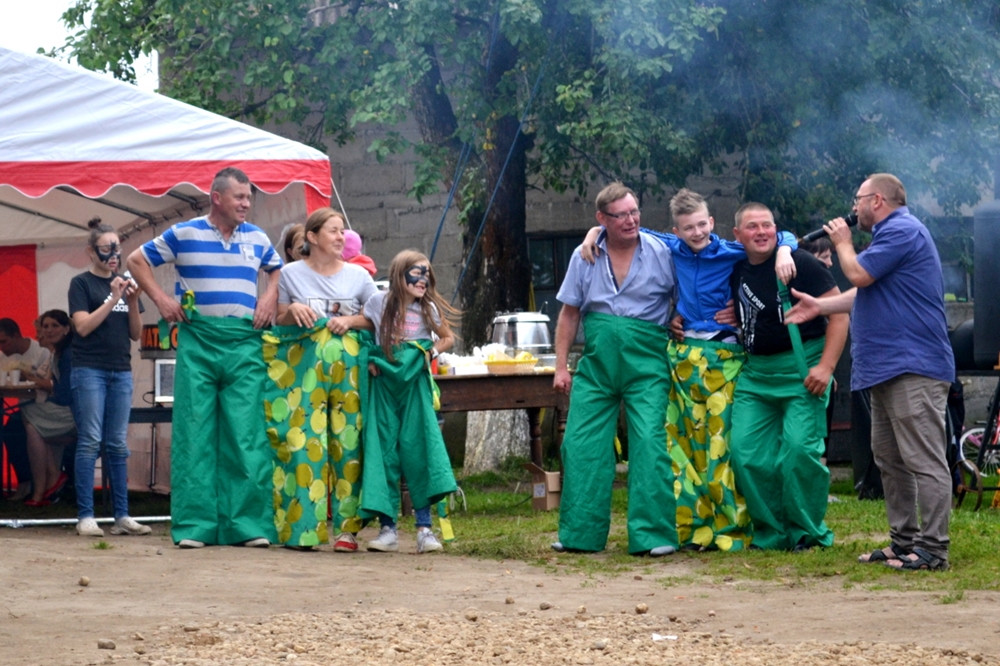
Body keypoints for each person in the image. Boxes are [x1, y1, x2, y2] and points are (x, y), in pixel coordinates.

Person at [582, 188, 798, 551]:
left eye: (701, 225)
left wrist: (786, 249)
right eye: (688, 228)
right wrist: (592, 233)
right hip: (682, 358)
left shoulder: (732, 251)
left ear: (712, 223)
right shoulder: (669, 247)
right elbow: (624, 230)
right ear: (676, 231)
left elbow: (780, 237)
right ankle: (694, 526)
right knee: (683, 447)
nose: (696, 233)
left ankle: (732, 527)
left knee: (722, 446)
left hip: (724, 355)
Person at [785, 173, 954, 571]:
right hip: (884, 368)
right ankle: (904, 542)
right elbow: (865, 291)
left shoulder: (903, 229)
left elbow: (858, 275)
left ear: (877, 200)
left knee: (923, 459)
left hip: (914, 366)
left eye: (857, 199)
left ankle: (933, 549)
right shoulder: (888, 238)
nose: (853, 207)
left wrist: (843, 244)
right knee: (890, 459)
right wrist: (820, 307)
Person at [127, 166, 282, 549]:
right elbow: (135, 260)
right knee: (195, 431)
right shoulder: (185, 232)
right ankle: (195, 526)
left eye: (249, 198)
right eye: (240, 197)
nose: (247, 204)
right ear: (217, 197)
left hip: (244, 340)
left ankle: (247, 526)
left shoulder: (258, 237)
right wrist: (160, 299)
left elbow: (276, 271)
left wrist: (268, 297)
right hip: (199, 338)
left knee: (244, 434)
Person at [550, 182, 679, 556]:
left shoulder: (662, 251)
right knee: (580, 445)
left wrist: (681, 317)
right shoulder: (584, 254)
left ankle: (653, 535)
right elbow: (569, 312)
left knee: (650, 444)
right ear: (602, 219)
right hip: (598, 364)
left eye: (635, 211)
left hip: (647, 363)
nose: (631, 220)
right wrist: (561, 366)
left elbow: (686, 294)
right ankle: (579, 535)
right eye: (621, 215)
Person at [728, 202, 848, 551]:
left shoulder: (803, 264)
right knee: (746, 454)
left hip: (802, 371)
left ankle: (806, 532)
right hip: (756, 376)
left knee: (798, 453)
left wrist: (826, 367)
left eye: (767, 225)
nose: (761, 232)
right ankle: (771, 532)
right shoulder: (736, 269)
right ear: (738, 235)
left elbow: (840, 316)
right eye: (752, 227)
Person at [271, 207, 377, 551]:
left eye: (342, 231)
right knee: (302, 442)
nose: (340, 236)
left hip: (348, 372)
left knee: (348, 444)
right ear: (312, 237)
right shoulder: (289, 274)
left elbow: (380, 318)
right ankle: (303, 529)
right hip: (305, 374)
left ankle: (347, 530)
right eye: (333, 231)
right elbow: (275, 321)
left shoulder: (359, 277)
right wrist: (291, 311)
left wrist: (351, 322)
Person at [359, 249, 458, 554]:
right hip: (384, 387)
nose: (423, 279)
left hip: (415, 386)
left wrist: (431, 351)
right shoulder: (378, 303)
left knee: (419, 450)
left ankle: (424, 529)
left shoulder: (427, 308)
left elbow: (447, 337)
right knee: (382, 451)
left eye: (427, 273)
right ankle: (387, 528)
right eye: (416, 272)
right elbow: (363, 332)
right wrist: (370, 358)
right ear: (399, 274)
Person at [69, 219, 151, 537]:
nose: (114, 254)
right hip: (89, 369)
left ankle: (122, 515)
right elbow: (83, 327)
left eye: (117, 247)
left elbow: (135, 334)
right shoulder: (81, 284)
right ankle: (86, 515)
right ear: (92, 252)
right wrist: (113, 298)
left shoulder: (124, 284)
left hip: (121, 370)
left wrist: (131, 302)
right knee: (90, 440)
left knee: (117, 443)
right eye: (107, 248)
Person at [21, 310, 76, 507]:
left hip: (78, 414)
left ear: (67, 328)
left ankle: (42, 487)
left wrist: (40, 383)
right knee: (33, 422)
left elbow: (65, 394)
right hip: (69, 409)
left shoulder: (68, 354)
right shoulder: (59, 353)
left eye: (55, 326)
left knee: (29, 414)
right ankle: (49, 482)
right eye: (46, 327)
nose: (49, 330)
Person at [0, 318, 51, 501]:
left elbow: (50, 385)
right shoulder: (2, 357)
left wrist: (28, 377)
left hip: (42, 405)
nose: (1, 347)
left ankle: (28, 483)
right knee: (10, 429)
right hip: (23, 407)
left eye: (4, 341)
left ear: (16, 335)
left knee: (13, 430)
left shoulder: (42, 352)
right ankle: (24, 481)